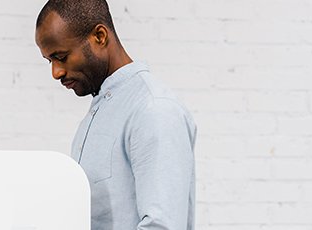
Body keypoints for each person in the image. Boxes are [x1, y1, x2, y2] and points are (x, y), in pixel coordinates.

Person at [34, 0, 198, 229]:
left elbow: (162, 225)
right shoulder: (101, 111)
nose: (56, 72)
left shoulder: (153, 110)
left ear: (99, 36)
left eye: (61, 57)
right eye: (49, 61)